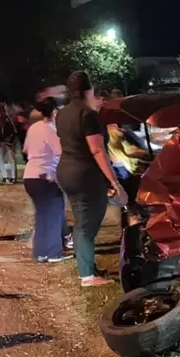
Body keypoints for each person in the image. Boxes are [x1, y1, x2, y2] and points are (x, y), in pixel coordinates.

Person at [56, 71, 127, 288]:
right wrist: (114, 181)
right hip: (85, 173)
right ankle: (87, 275)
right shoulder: (88, 115)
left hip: (66, 171)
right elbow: (97, 151)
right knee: (87, 223)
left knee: (82, 218)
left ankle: (88, 267)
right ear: (89, 90)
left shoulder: (62, 114)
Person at [23, 98, 71, 264]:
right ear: (55, 112)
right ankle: (53, 253)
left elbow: (26, 150)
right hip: (45, 176)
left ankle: (40, 253)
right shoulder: (51, 130)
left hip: (30, 176)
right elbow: (60, 153)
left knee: (42, 215)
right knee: (54, 215)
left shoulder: (34, 128)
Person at [0, 102, 18, 183]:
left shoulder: (6, 118)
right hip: (1, 142)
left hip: (8, 141)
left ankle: (13, 177)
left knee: (11, 159)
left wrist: (10, 142)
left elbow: (14, 131)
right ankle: (5, 177)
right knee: (0, 158)